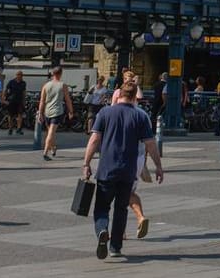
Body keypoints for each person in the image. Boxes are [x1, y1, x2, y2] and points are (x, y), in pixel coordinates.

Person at [83, 85, 160, 260]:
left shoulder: (104, 113)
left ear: (118, 95)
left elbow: (94, 139)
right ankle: (115, 247)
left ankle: (102, 230)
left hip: (106, 169)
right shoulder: (140, 116)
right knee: (121, 209)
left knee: (102, 207)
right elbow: (150, 144)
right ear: (134, 97)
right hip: (128, 170)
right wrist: (159, 166)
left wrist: (86, 163)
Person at [38, 66, 71, 160]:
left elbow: (42, 101)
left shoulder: (46, 85)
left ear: (53, 74)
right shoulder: (63, 85)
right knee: (51, 132)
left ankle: (51, 149)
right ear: (61, 74)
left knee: (50, 132)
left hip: (47, 111)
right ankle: (47, 151)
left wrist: (40, 112)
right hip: (57, 111)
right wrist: (71, 111)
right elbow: (68, 99)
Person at [4, 70, 27, 134]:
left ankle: (18, 128)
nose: (20, 76)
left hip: (19, 101)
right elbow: (6, 90)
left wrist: (24, 101)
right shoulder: (11, 82)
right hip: (11, 101)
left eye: (21, 75)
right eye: (19, 75)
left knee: (20, 115)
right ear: (16, 75)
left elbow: (24, 92)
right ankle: (10, 128)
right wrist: (4, 99)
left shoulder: (23, 83)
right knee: (10, 115)